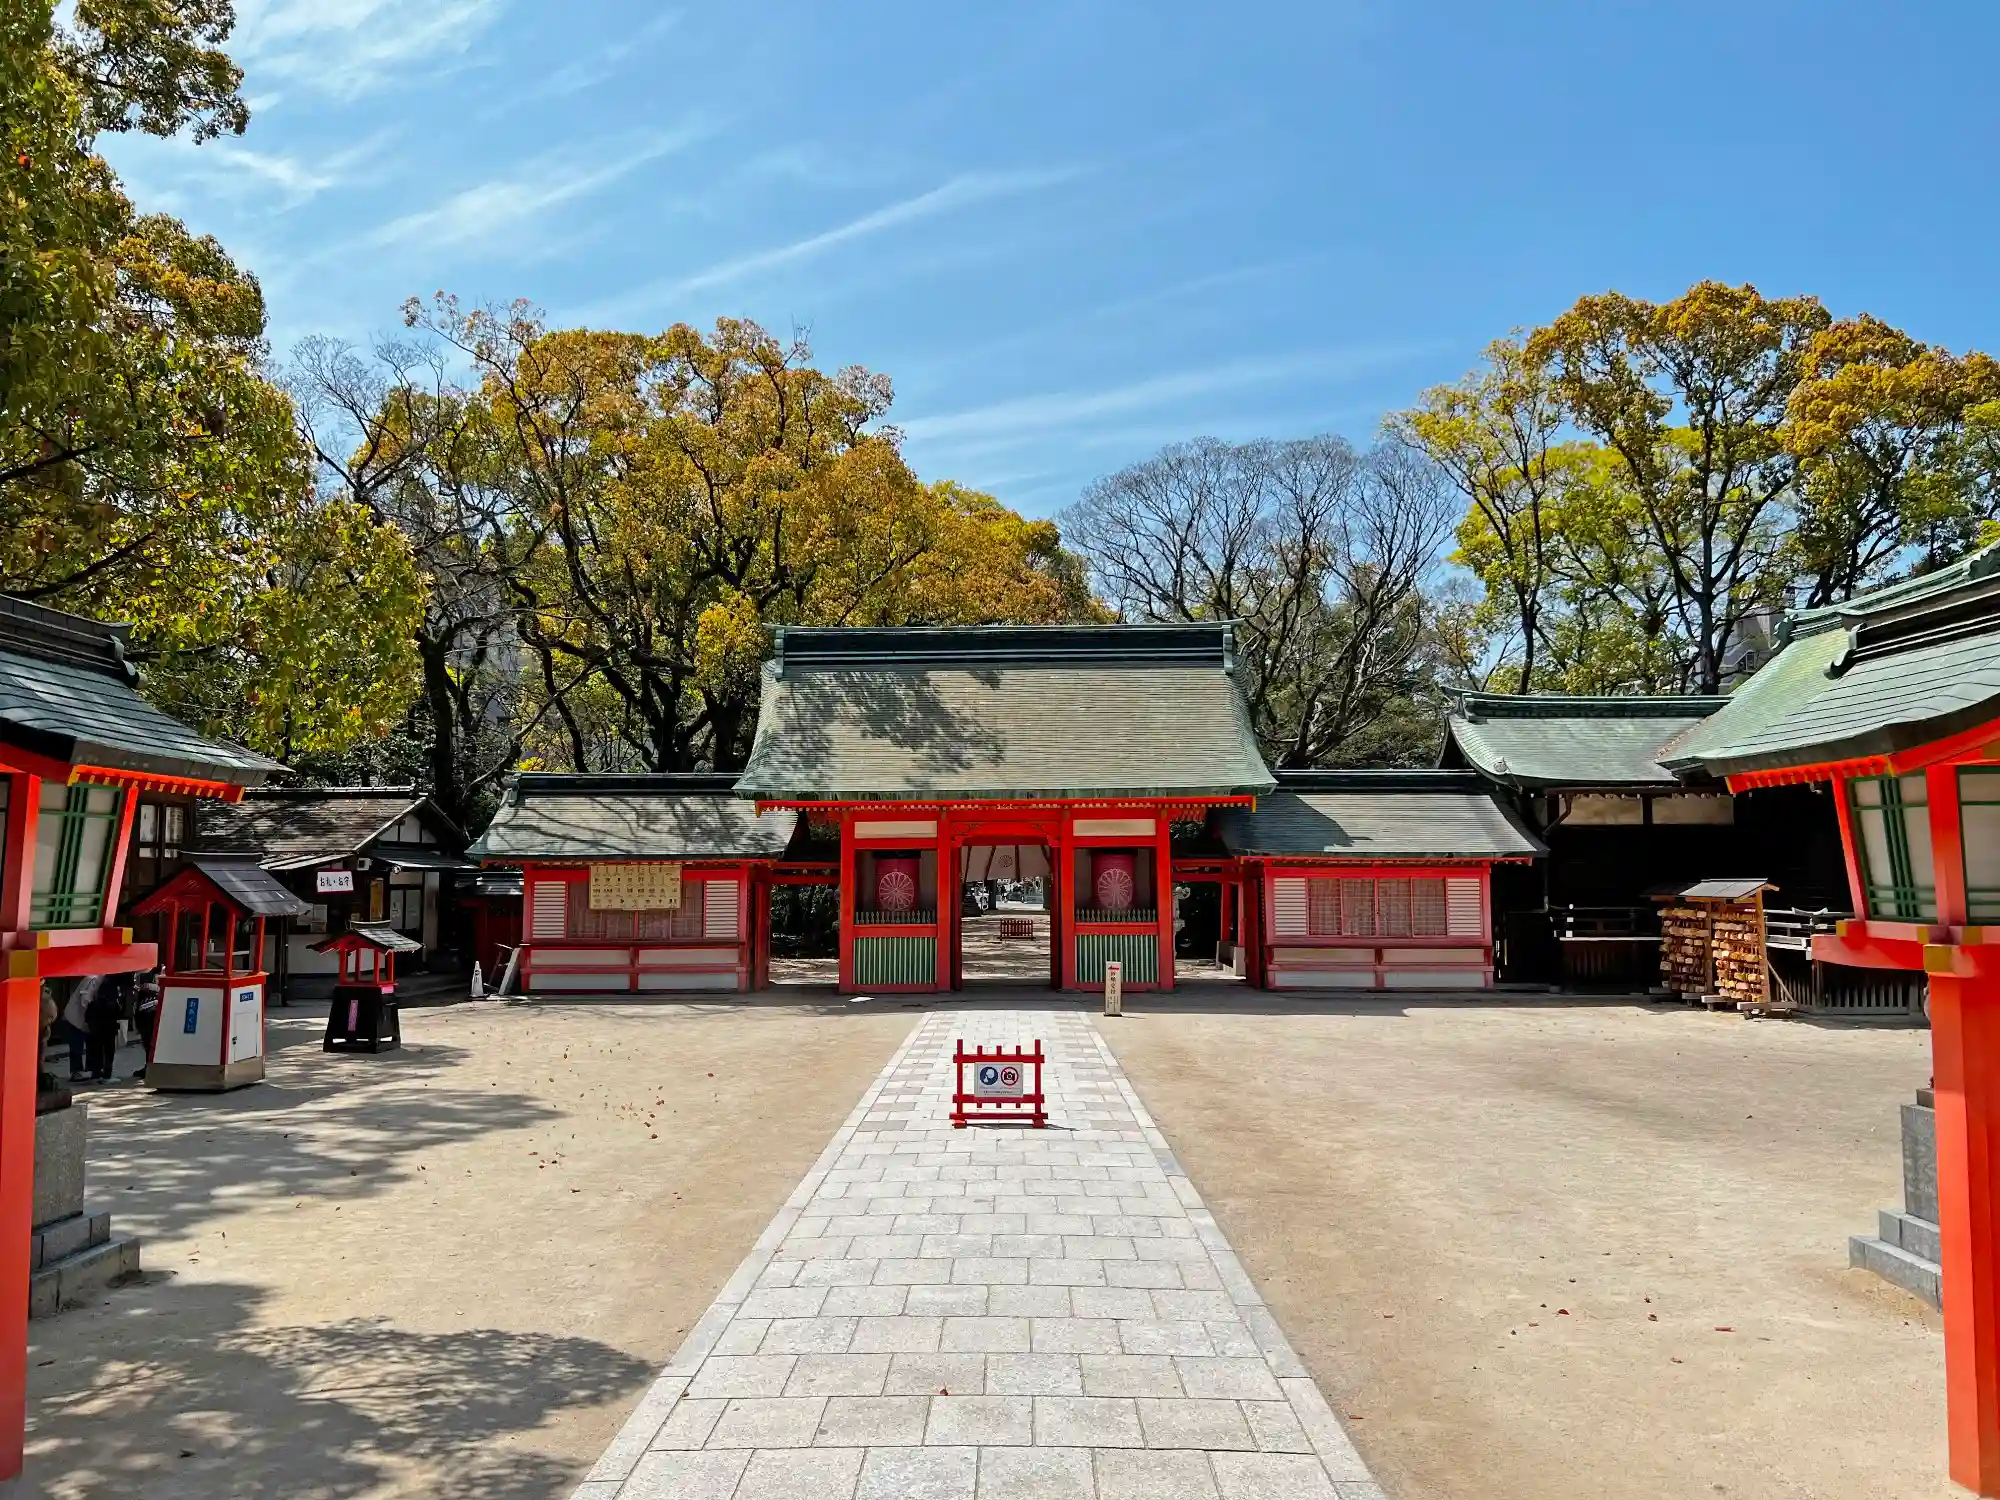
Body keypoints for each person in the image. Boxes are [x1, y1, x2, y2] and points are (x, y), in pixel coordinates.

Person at [85, 972, 129, 1082]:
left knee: (98, 1046)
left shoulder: (102, 982)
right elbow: (116, 1005)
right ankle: (107, 1074)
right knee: (109, 1047)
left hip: (97, 1017)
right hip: (108, 1018)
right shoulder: (113, 986)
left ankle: (97, 1071)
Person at [57, 975, 98, 1083]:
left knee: (88, 1042)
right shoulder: (94, 978)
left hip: (81, 1016)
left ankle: (88, 1069)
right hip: (77, 1016)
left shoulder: (95, 977)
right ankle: (77, 1071)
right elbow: (85, 999)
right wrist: (88, 1019)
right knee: (77, 1043)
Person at [130, 967, 161, 1082]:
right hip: (145, 1009)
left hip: (149, 1010)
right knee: (148, 1042)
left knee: (149, 1042)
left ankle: (150, 1067)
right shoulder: (144, 972)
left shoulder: (152, 973)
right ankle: (149, 1066)